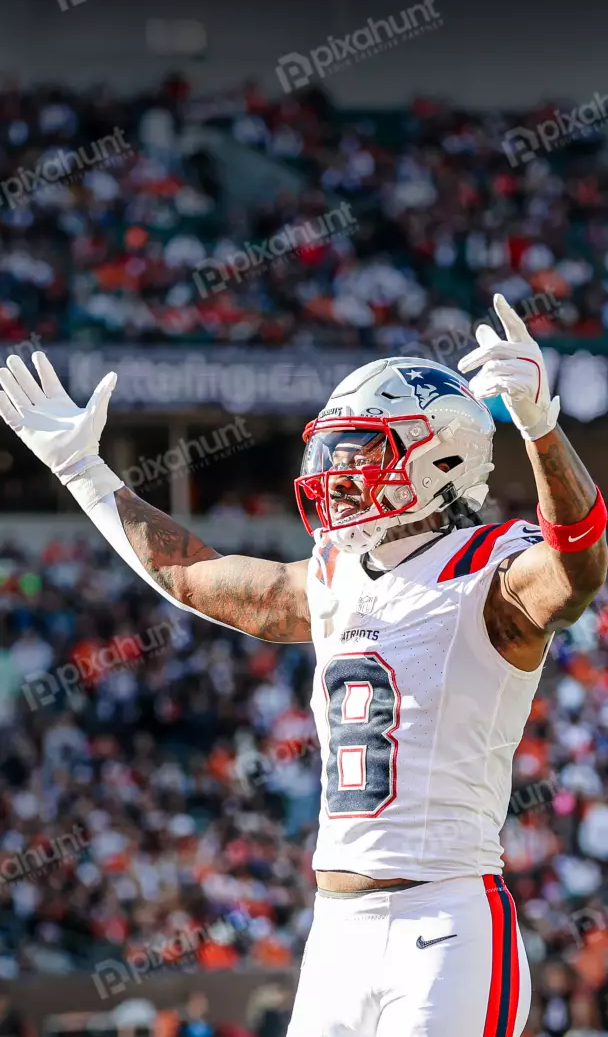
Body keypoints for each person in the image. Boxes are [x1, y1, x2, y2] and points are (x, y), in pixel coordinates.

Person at [1, 294, 606, 1037]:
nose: (341, 475)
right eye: (337, 453)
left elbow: (577, 572)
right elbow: (196, 578)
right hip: (337, 934)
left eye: (367, 452)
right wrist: (84, 472)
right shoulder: (333, 573)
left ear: (444, 461)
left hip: (447, 923)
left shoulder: (489, 566)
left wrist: (542, 429)